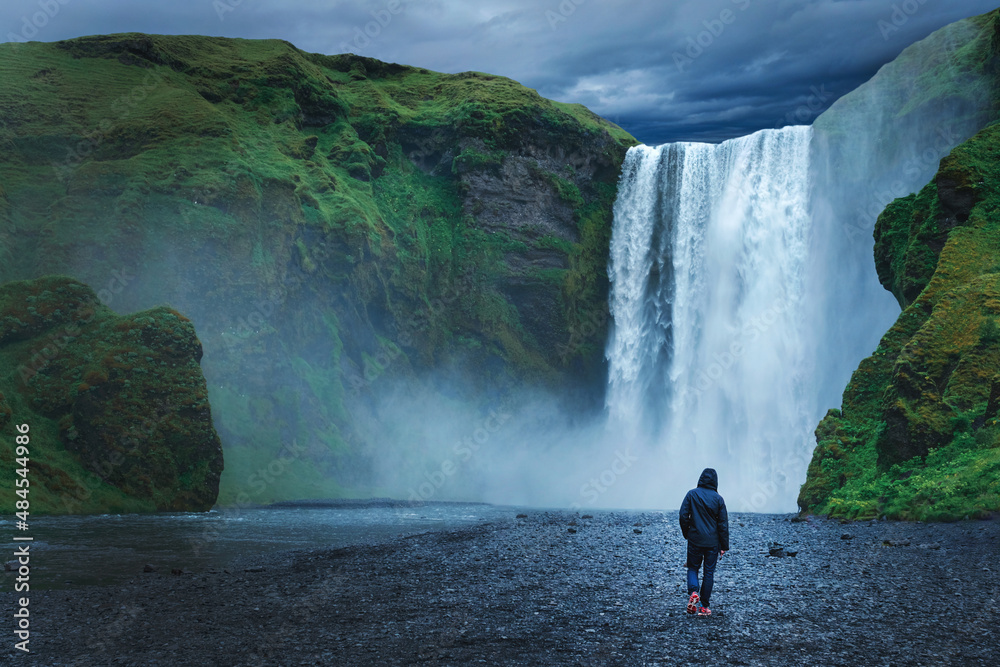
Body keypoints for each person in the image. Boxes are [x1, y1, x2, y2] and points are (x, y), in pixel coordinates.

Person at [679, 467, 729, 616]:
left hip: (695, 538)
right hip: (713, 542)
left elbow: (682, 516)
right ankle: (704, 607)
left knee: (693, 568)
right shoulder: (718, 499)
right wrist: (724, 546)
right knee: (709, 573)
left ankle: (694, 592)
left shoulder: (691, 494)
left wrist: (687, 533)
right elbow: (723, 525)